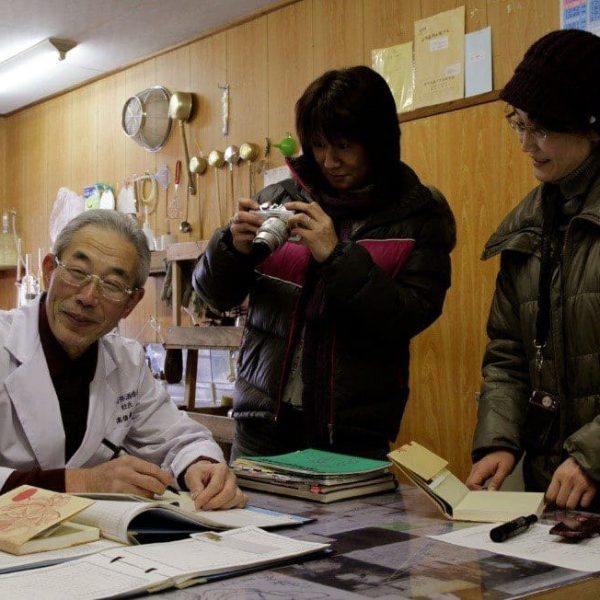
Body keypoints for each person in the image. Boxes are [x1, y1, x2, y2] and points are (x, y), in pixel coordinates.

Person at [193, 66, 456, 461]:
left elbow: (411, 314)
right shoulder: (280, 197)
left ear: (378, 142)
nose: (329, 160)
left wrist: (337, 258)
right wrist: (232, 248)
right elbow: (211, 295)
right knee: (250, 523)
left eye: (344, 146)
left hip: (353, 430)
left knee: (350, 525)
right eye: (317, 145)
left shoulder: (419, 214)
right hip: (262, 422)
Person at [0, 209, 246, 510]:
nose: (88, 297)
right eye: (77, 273)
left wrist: (201, 466)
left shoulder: (126, 361)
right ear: (50, 271)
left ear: (131, 302)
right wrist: (83, 483)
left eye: (113, 286)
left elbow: (178, 438)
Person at [467, 30, 600, 510]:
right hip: (560, 494)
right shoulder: (526, 227)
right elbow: (508, 354)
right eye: (518, 124)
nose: (525, 144)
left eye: (541, 128)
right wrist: (498, 440)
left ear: (591, 125)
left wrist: (592, 456)